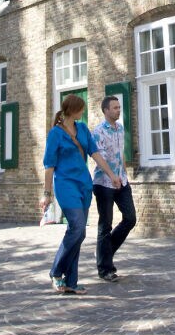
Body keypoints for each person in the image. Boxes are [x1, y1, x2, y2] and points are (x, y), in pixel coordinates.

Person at [40, 93, 122, 295]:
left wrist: (111, 174)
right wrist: (46, 193)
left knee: (79, 233)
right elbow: (49, 166)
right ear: (72, 110)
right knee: (77, 228)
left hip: (84, 185)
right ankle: (56, 271)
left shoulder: (83, 129)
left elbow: (95, 154)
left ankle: (72, 281)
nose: (83, 112)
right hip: (66, 185)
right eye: (81, 109)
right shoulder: (55, 134)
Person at [92, 94, 136, 283]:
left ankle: (104, 251)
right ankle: (105, 269)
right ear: (106, 111)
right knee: (106, 224)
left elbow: (120, 155)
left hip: (122, 181)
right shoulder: (98, 131)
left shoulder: (120, 129)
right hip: (104, 183)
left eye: (119, 107)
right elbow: (99, 157)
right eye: (115, 108)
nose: (118, 110)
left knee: (130, 218)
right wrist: (112, 175)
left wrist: (124, 175)